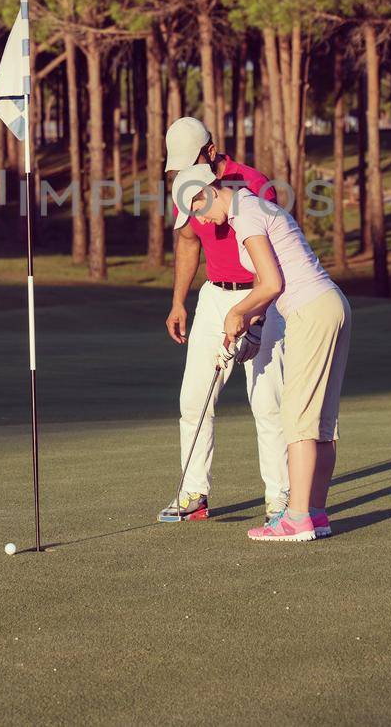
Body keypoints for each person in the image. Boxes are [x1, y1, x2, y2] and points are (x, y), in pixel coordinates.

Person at [170, 161, 352, 543]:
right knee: (321, 423)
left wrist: (237, 313)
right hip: (331, 305)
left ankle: (296, 517)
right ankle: (316, 513)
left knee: (297, 417)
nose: (201, 221)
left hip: (308, 311)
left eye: (198, 210)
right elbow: (273, 285)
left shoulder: (246, 215)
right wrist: (251, 327)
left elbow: (271, 283)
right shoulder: (254, 206)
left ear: (207, 192)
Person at [158, 116, 290, 524]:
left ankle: (281, 499)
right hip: (214, 296)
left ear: (211, 152)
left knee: (267, 402)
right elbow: (186, 241)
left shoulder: (252, 183)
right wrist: (178, 302)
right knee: (193, 399)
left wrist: (258, 317)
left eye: (190, 160)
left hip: (261, 294)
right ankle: (193, 493)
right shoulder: (185, 188)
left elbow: (278, 255)